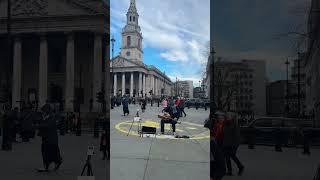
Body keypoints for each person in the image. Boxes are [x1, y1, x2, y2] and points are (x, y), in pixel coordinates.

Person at [37, 104, 63, 172]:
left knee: (51, 152)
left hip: (51, 139)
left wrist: (38, 126)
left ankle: (56, 162)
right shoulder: (45, 117)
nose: (43, 112)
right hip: (46, 138)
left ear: (47, 111)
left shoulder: (52, 117)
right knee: (45, 152)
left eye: (44, 111)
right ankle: (48, 165)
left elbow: (48, 125)